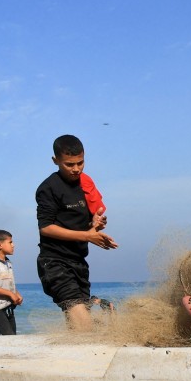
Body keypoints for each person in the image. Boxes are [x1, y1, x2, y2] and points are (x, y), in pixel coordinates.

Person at [36, 134, 117, 331]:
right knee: (85, 326)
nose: (76, 169)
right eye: (69, 164)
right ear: (55, 161)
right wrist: (88, 236)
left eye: (80, 163)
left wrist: (95, 224)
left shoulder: (86, 183)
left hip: (79, 263)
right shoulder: (48, 188)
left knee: (76, 329)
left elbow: (87, 222)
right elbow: (45, 228)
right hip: (55, 263)